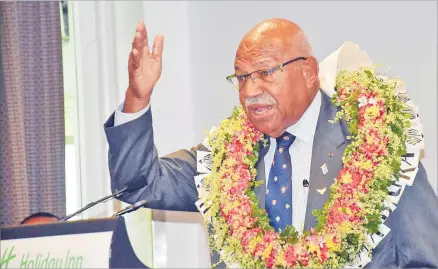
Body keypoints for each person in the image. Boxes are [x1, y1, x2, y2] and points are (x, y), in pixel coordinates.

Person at [103, 18, 438, 268]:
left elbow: (425, 257)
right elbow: (138, 186)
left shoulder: (374, 145)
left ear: (308, 72)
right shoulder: (223, 159)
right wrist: (137, 96)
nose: (250, 91)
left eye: (265, 73)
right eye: (242, 77)